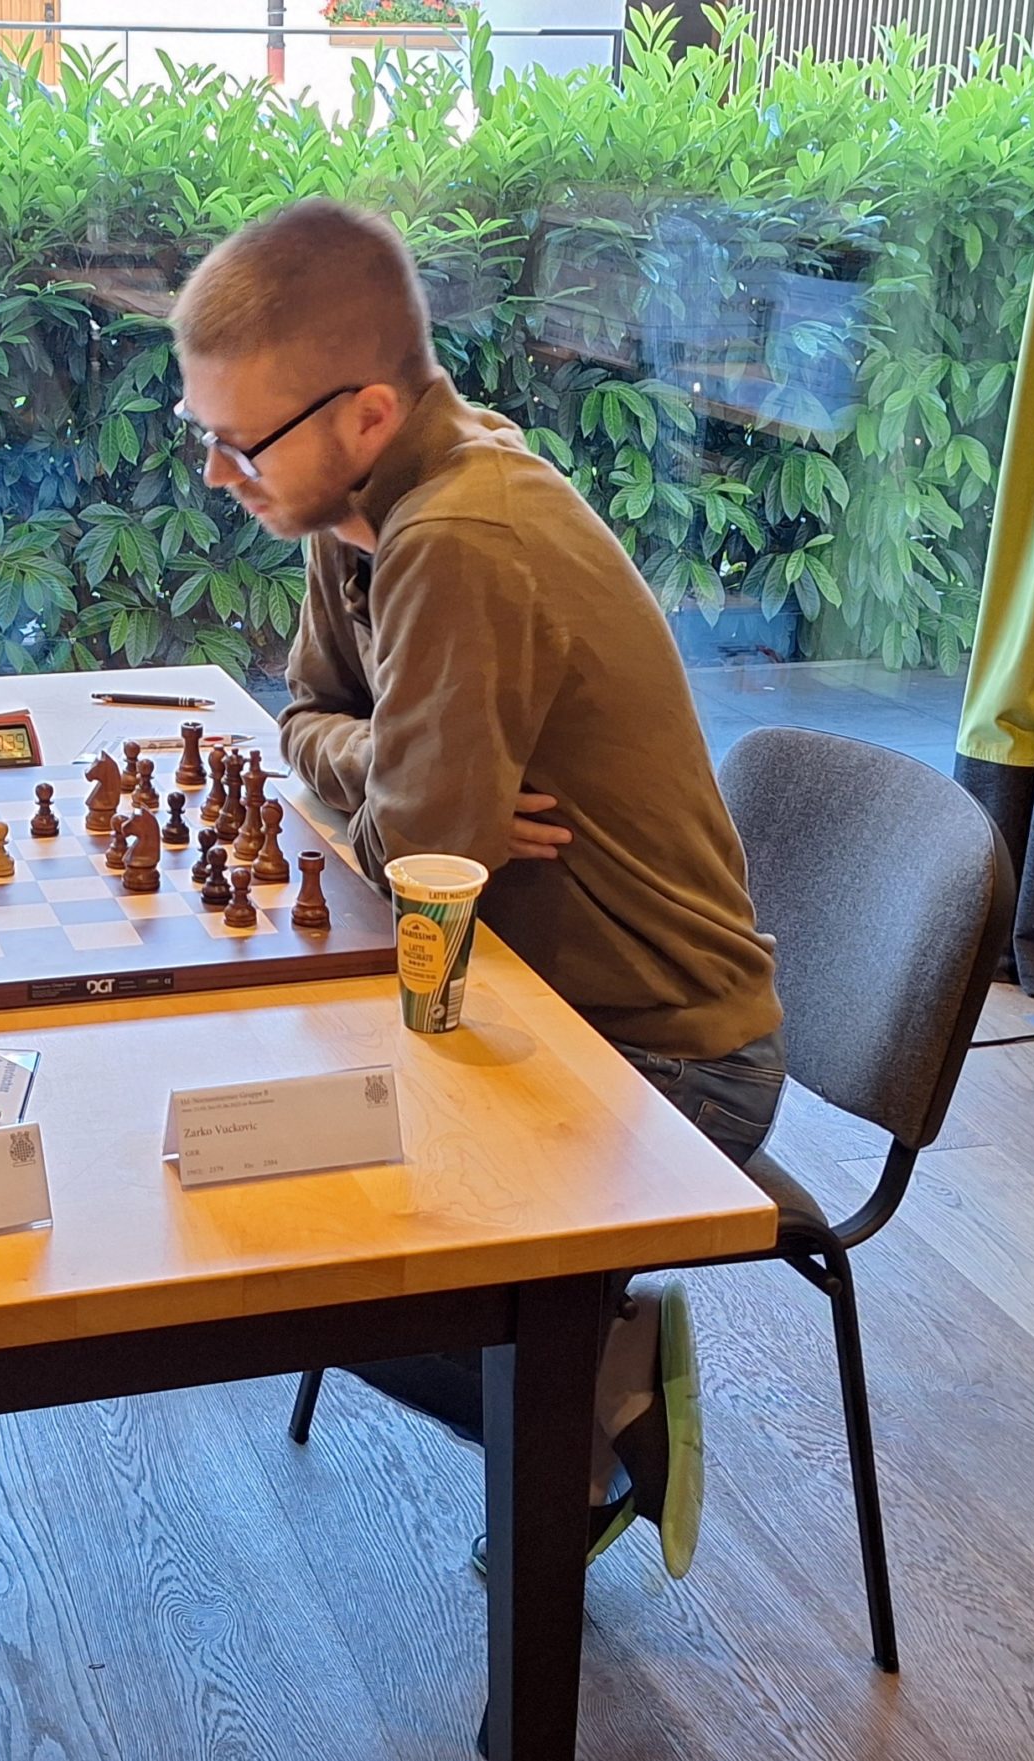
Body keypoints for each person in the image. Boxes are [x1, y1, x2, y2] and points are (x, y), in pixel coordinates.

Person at [171, 199, 788, 1586]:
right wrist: (401, 762)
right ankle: (587, 1363)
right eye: (198, 430)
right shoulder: (345, 504)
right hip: (511, 993)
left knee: (256, 1244)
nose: (216, 473)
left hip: (656, 1057)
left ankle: (596, 1372)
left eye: (240, 442)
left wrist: (411, 789)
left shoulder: (458, 531)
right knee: (227, 1162)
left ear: (367, 414)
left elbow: (412, 860)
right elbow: (307, 722)